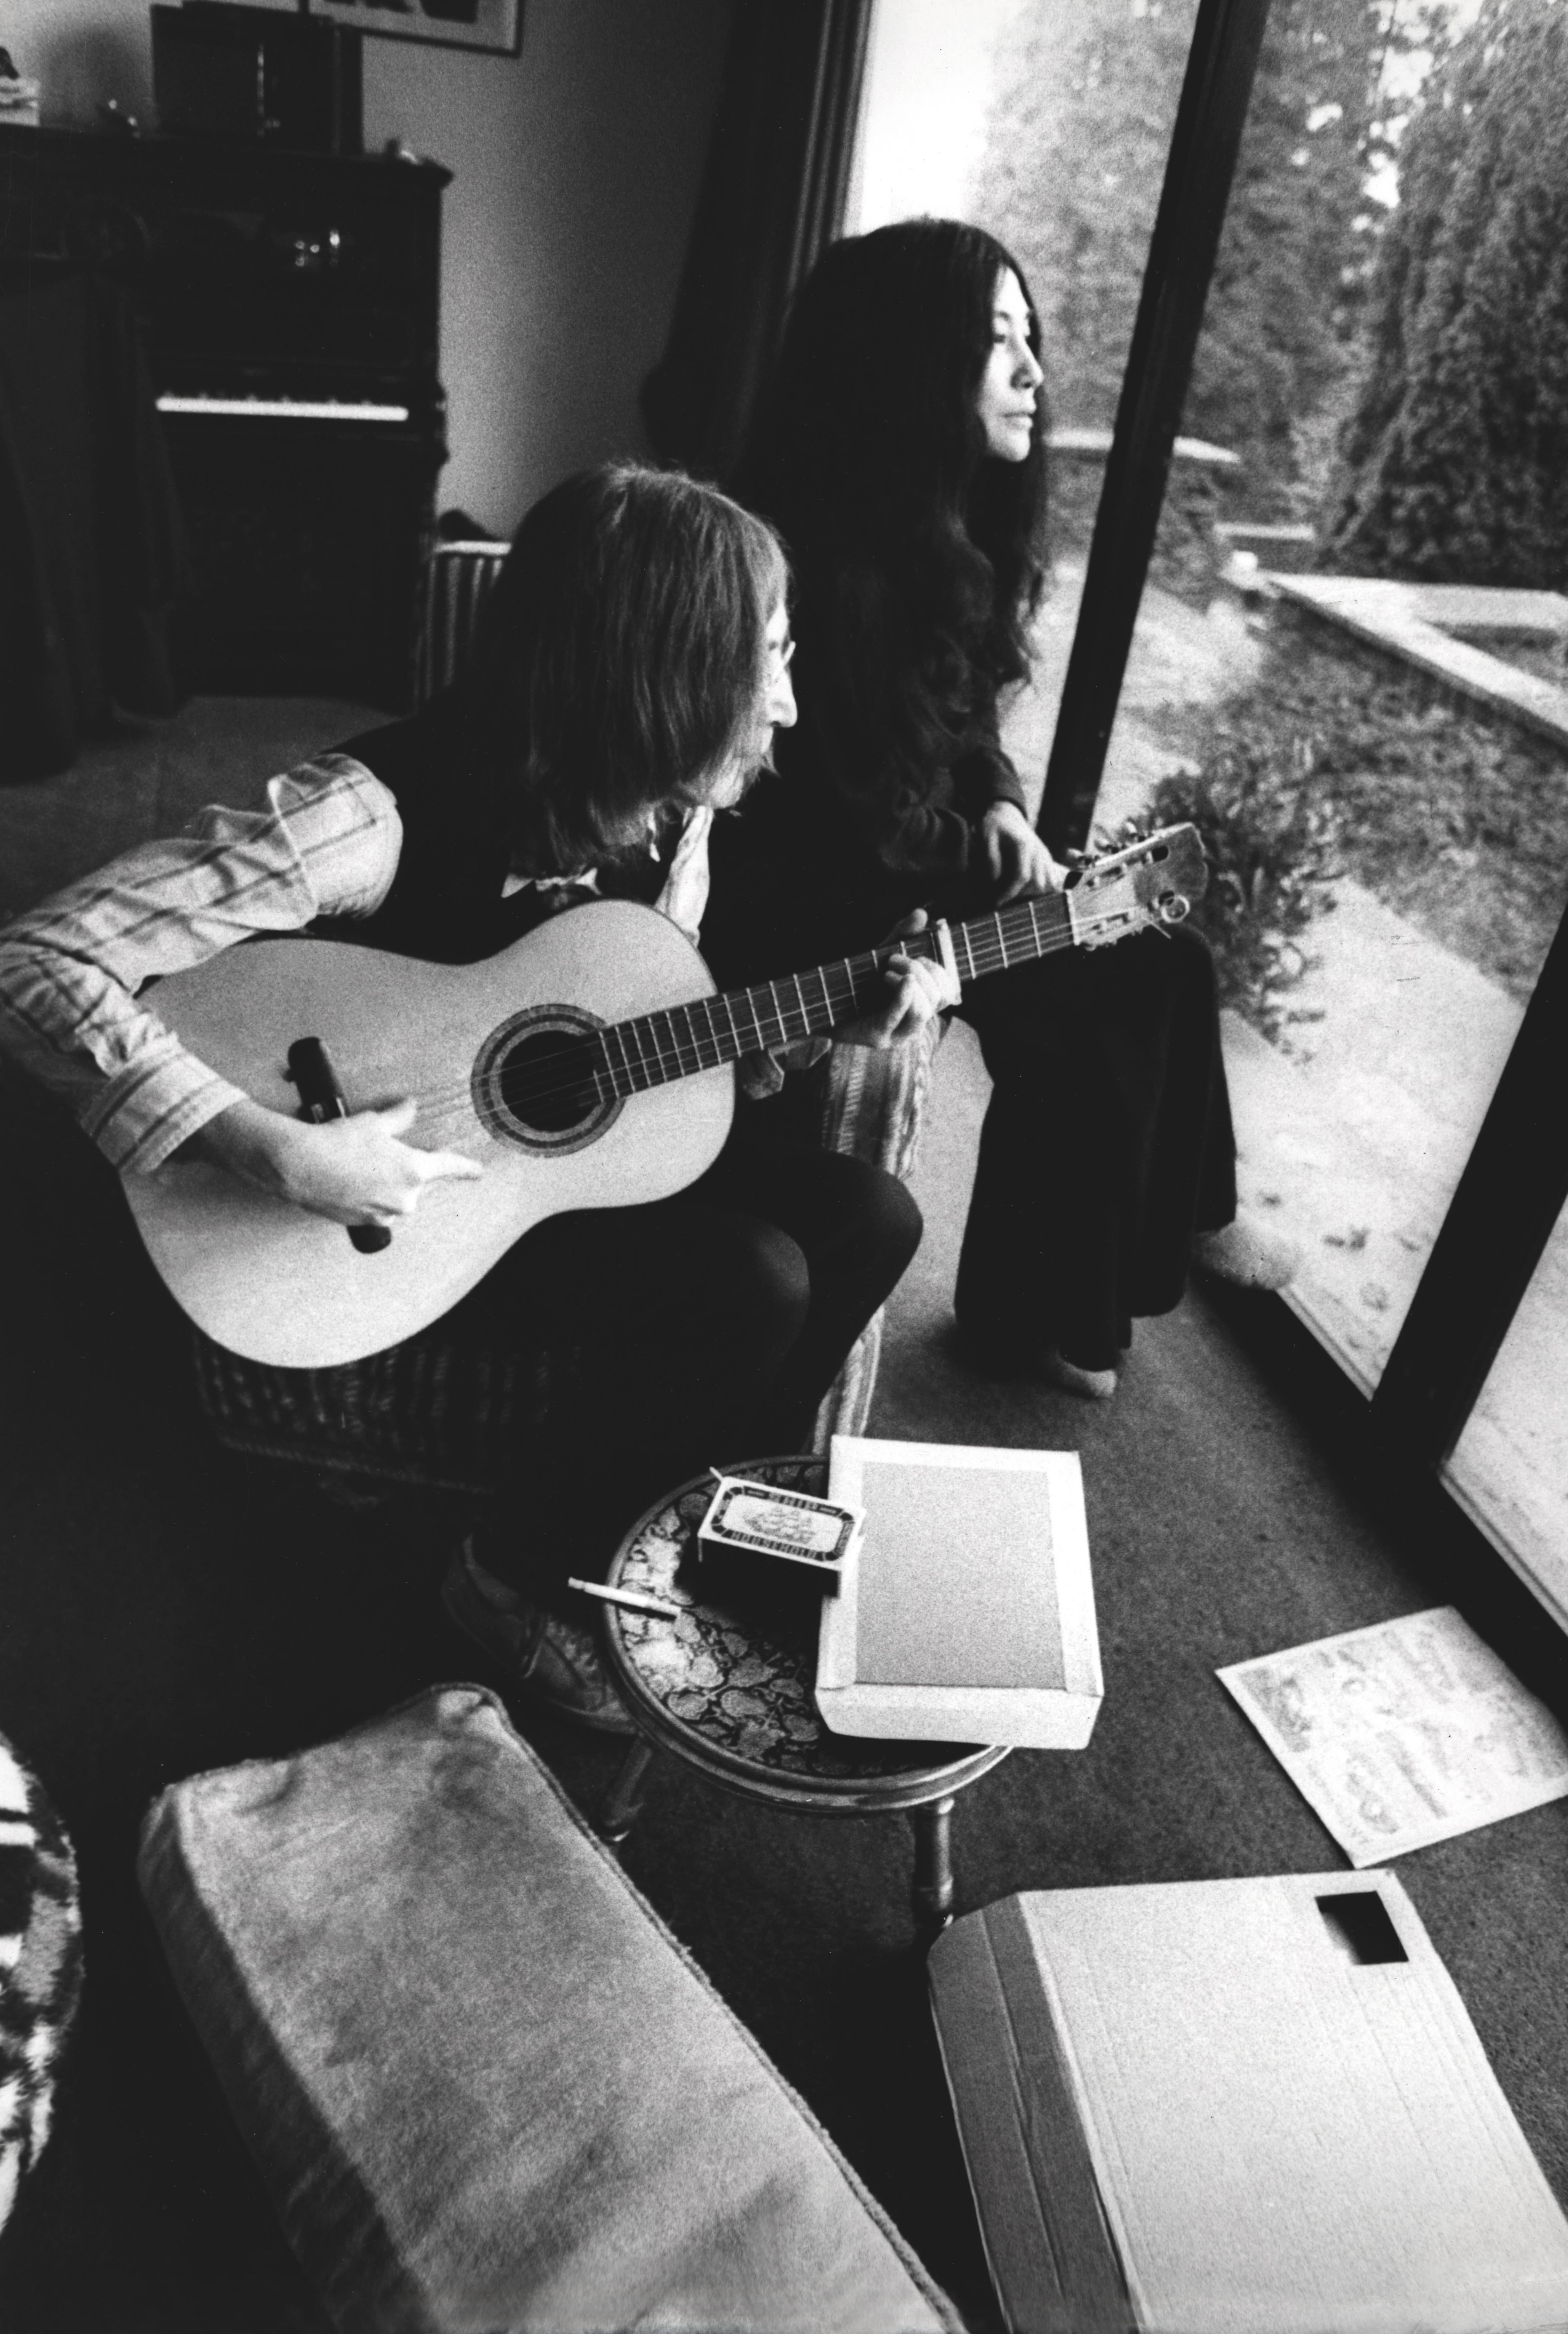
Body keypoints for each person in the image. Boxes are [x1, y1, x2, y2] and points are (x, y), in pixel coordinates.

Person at [0, 462, 946, 1730]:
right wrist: (279, 1151)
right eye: (767, 659)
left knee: (872, 1218)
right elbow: (39, 957)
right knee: (753, 1279)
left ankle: (690, 1543)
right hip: (368, 1206)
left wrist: (826, 1035)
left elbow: (615, 1060)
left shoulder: (673, 821)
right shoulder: (362, 817)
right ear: (660, 676)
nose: (787, 703)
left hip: (524, 1176)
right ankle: (511, 1579)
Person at [699, 219, 1297, 1400]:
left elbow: (966, 726)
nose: (1034, 373)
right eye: (999, 342)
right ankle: (1059, 1300)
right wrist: (995, 866)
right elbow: (856, 822)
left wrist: (1008, 810)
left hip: (915, 873)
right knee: (1113, 976)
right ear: (909, 364)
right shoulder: (813, 562)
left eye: (1032, 339)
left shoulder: (939, 529)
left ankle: (1138, 1245)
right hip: (821, 910)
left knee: (1157, 958)